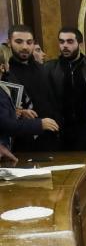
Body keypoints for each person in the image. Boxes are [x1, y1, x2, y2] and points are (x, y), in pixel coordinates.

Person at [43, 26, 86, 150]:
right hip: (59, 131)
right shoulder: (49, 68)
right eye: (61, 42)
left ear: (80, 43)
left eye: (70, 41)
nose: (65, 46)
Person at [3, 24, 61, 152]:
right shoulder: (5, 73)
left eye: (29, 42)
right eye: (19, 42)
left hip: (48, 141)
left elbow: (54, 104)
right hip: (17, 143)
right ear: (9, 43)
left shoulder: (44, 70)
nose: (24, 47)